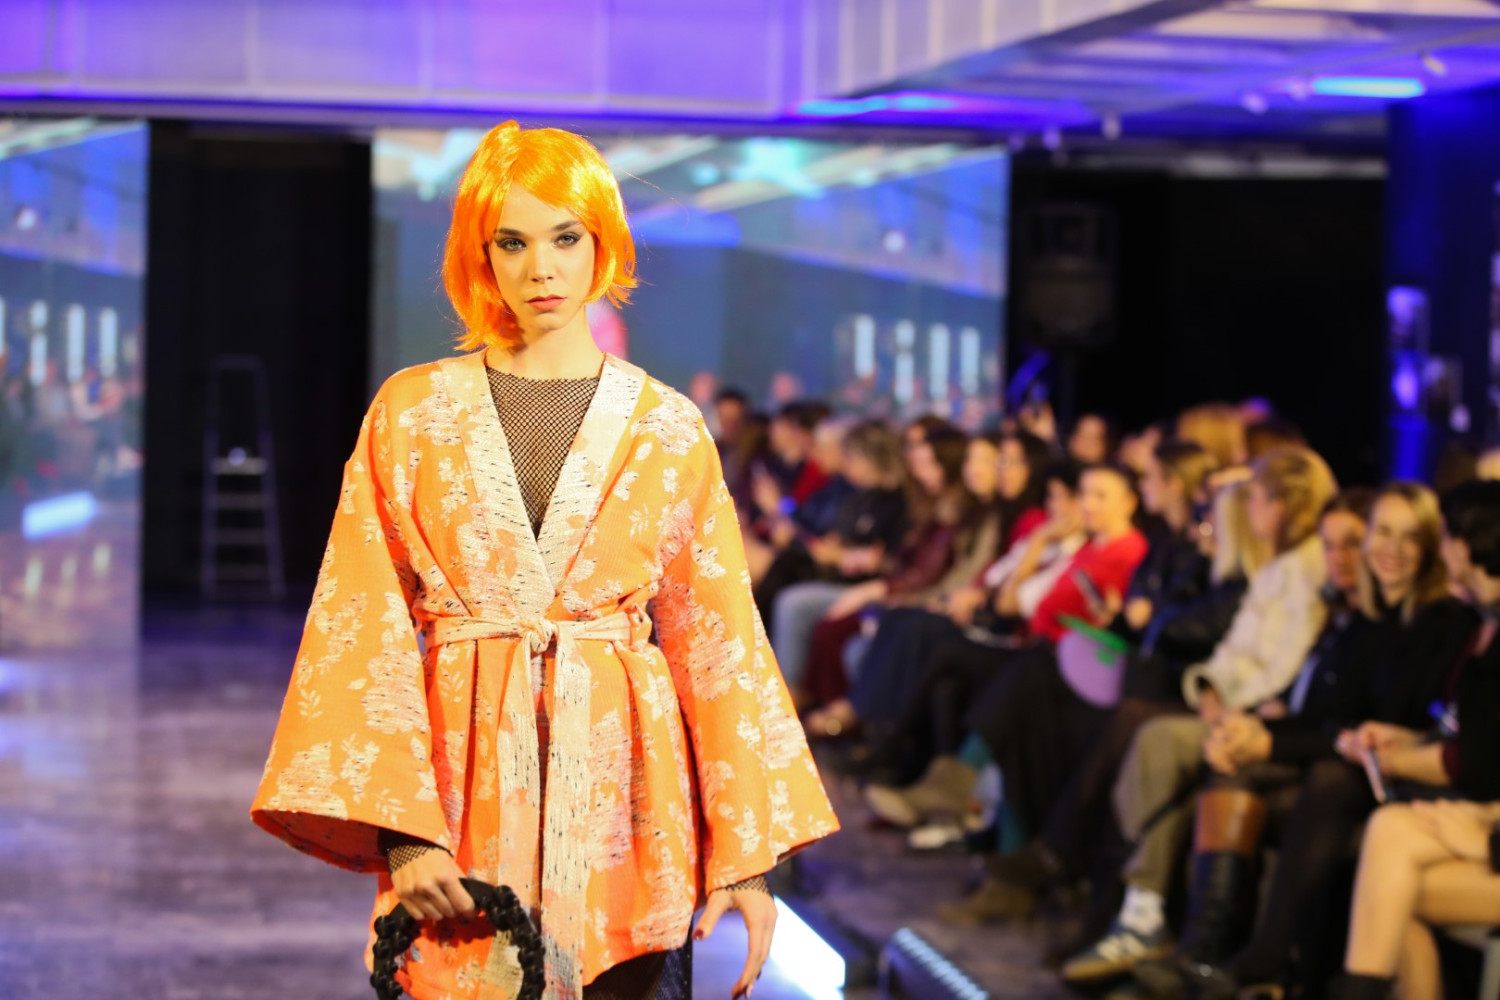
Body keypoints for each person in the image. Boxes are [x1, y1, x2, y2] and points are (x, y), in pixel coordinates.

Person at [249, 122, 839, 1000]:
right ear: (480, 254)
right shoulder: (411, 414)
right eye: (512, 243)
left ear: (603, 243)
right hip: (461, 811)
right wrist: (405, 837)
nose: (541, 269)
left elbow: (718, 642)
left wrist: (747, 861)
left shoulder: (668, 428)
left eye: (566, 237)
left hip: (628, 814)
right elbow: (359, 626)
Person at [1133, 483, 1472, 999]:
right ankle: (1205, 952)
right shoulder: (1368, 620)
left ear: (1432, 547)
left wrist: (1270, 742)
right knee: (1234, 764)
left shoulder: (1443, 622)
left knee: (1326, 781)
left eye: (1410, 536)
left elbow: (1384, 730)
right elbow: (1325, 720)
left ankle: (1266, 962)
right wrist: (1254, 733)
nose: (1392, 549)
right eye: (1383, 532)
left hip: (1397, 780)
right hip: (1349, 762)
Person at [1059, 446, 1337, 979]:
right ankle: (1130, 914)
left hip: (1257, 716)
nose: (1247, 511)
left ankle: (1137, 914)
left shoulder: (1304, 569)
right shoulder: (1281, 567)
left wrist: (1233, 704)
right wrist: (1211, 687)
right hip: (1234, 706)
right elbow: (1235, 653)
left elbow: (1282, 664)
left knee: (1155, 737)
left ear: (1281, 504)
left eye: (1255, 499)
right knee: (1151, 739)